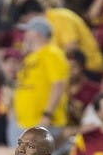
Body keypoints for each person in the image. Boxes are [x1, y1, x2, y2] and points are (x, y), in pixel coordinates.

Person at [11, 16, 69, 145]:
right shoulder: (31, 58)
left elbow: (58, 85)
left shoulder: (51, 53)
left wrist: (47, 115)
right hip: (24, 123)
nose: (25, 35)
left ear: (36, 34)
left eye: (28, 31)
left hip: (43, 123)